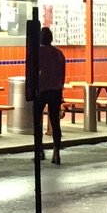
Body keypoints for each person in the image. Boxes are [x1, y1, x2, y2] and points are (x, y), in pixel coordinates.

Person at [35, 26, 66, 164]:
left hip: (41, 90)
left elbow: (34, 73)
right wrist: (61, 90)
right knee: (55, 122)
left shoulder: (37, 53)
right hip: (56, 90)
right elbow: (62, 75)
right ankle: (56, 152)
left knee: (37, 121)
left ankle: (39, 150)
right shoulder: (59, 53)